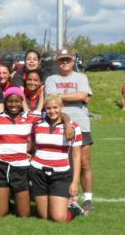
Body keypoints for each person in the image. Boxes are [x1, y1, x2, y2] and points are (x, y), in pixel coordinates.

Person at [44, 47, 95, 213]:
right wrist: (74, 94)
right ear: (57, 61)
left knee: (84, 163)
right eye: (62, 59)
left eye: (68, 59)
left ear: (73, 61)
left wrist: (59, 96)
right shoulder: (51, 78)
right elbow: (50, 99)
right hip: (59, 124)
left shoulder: (81, 77)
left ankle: (88, 199)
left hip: (81, 123)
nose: (65, 62)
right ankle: (70, 198)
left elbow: (83, 96)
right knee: (66, 163)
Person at [0, 87, 42, 217]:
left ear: (22, 101)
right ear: (5, 102)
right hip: (1, 165)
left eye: (17, 101)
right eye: (10, 101)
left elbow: (54, 116)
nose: (13, 104)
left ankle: (15, 202)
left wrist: (32, 147)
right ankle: (5, 202)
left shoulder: (31, 117)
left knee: (24, 215)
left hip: (21, 166)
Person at [30, 94, 85, 222]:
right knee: (44, 216)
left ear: (61, 107)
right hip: (38, 173)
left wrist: (75, 182)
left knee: (59, 218)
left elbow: (76, 156)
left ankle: (75, 208)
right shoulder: (37, 124)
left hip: (61, 174)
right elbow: (32, 146)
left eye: (55, 107)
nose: (52, 111)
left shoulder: (73, 127)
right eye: (48, 108)